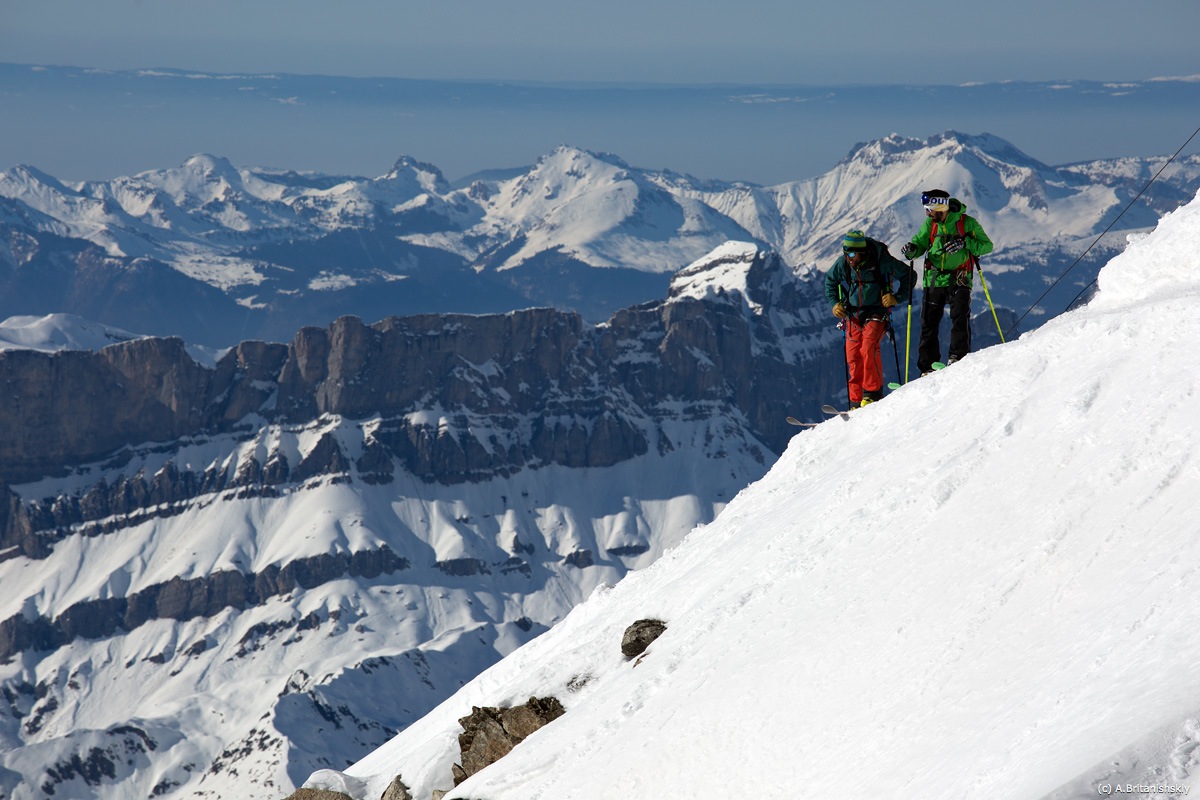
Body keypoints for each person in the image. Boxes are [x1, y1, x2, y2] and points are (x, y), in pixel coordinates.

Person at [900, 189, 994, 374]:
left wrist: (965, 242)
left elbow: (987, 245)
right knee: (929, 322)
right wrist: (912, 250)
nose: (926, 213)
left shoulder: (966, 223)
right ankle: (927, 366)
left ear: (939, 207)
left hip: (960, 278)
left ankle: (957, 357)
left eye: (928, 209)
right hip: (934, 278)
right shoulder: (931, 224)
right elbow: (920, 243)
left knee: (959, 316)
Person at [824, 229, 916, 407]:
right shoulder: (843, 263)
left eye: (851, 253)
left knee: (868, 348)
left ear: (862, 252)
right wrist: (834, 304)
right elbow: (830, 281)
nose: (848, 257)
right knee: (853, 356)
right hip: (853, 314)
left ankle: (872, 394)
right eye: (845, 252)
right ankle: (856, 400)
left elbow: (909, 275)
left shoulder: (881, 260)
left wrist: (897, 297)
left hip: (877, 312)